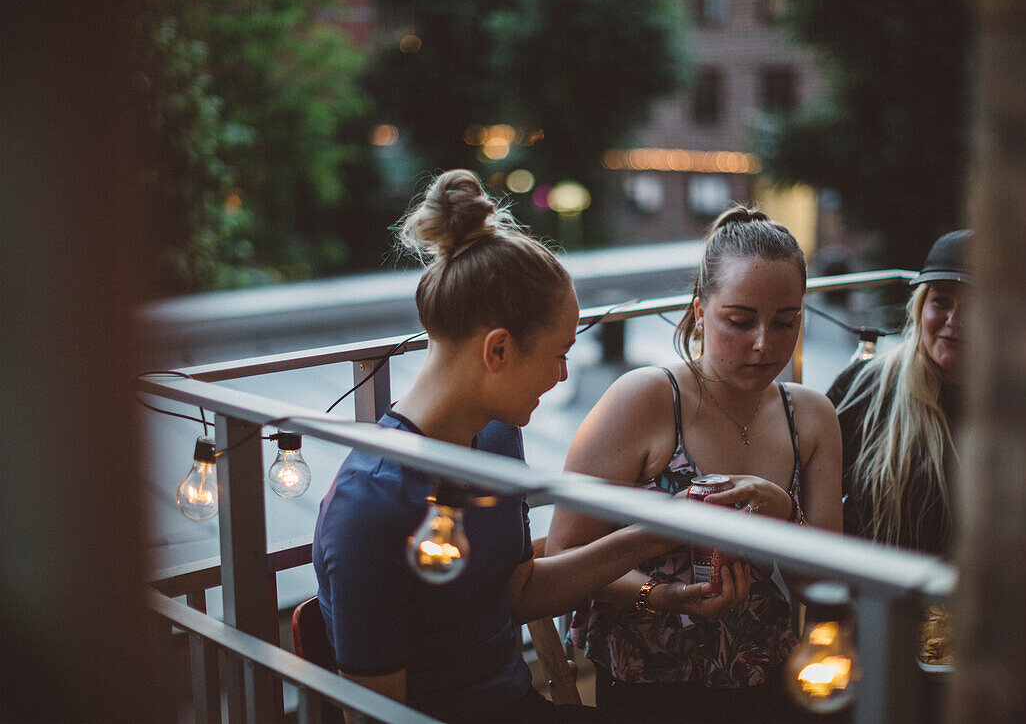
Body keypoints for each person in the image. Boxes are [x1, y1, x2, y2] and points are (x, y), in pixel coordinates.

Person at [312, 170, 724, 724]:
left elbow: (519, 592)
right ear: (498, 351)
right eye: (559, 353)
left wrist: (655, 536)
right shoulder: (371, 506)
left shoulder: (497, 437)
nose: (561, 376)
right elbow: (374, 714)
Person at [547, 206, 843, 723]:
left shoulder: (811, 416)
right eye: (740, 320)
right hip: (648, 682)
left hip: (763, 671)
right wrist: (666, 597)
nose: (763, 344)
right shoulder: (646, 398)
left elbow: (821, 587)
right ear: (699, 311)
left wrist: (787, 517)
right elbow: (566, 555)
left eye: (786, 322)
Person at [826, 229, 971, 556]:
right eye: (941, 301)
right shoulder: (866, 386)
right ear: (920, 306)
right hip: (869, 596)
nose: (954, 320)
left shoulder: (1018, 410)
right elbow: (809, 498)